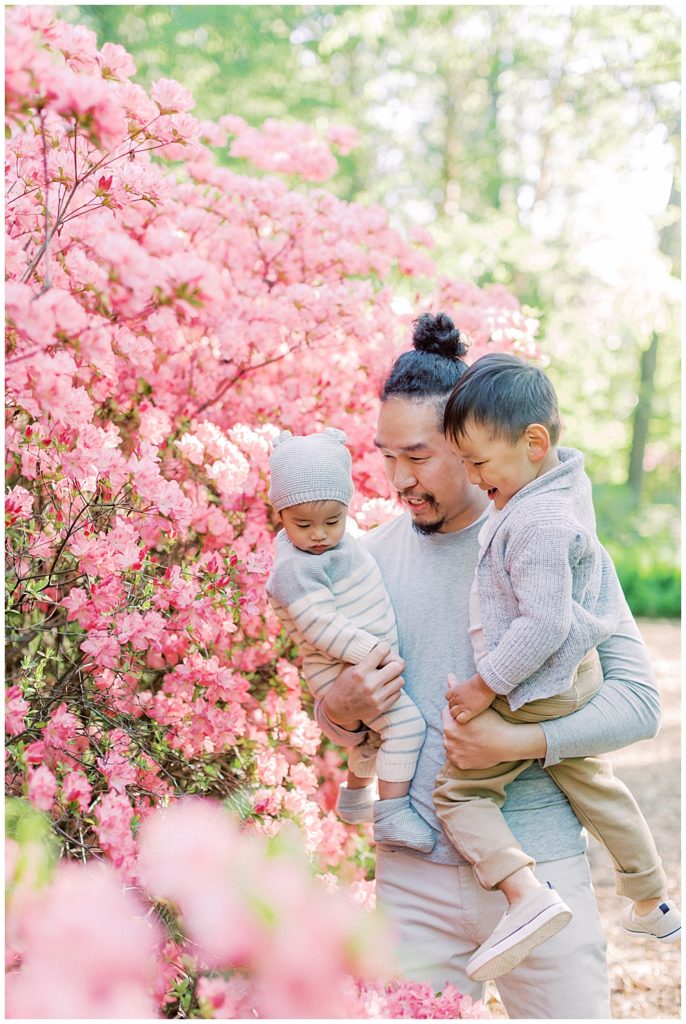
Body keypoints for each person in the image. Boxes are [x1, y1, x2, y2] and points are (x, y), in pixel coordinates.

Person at [314, 311, 664, 1018]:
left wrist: (522, 742)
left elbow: (637, 702)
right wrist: (339, 705)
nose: (397, 481)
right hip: (412, 884)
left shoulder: (552, 546)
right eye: (386, 457)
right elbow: (331, 713)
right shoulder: (367, 561)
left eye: (418, 456)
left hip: (545, 874)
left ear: (468, 443)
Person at [431, 353, 679, 983]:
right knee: (592, 782)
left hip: (537, 686)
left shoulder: (537, 519)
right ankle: (652, 897)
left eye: (479, 461)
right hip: (569, 681)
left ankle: (525, 894)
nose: (471, 475)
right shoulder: (557, 487)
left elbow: (545, 624)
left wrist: (487, 686)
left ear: (534, 443)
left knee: (460, 792)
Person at [266, 426, 434, 853]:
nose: (319, 535)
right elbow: (318, 624)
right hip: (346, 665)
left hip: (361, 663)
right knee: (407, 726)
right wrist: (371, 655)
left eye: (333, 521)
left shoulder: (343, 544)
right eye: (303, 524)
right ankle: (393, 815)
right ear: (280, 516)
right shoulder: (293, 568)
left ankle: (356, 797)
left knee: (376, 737)